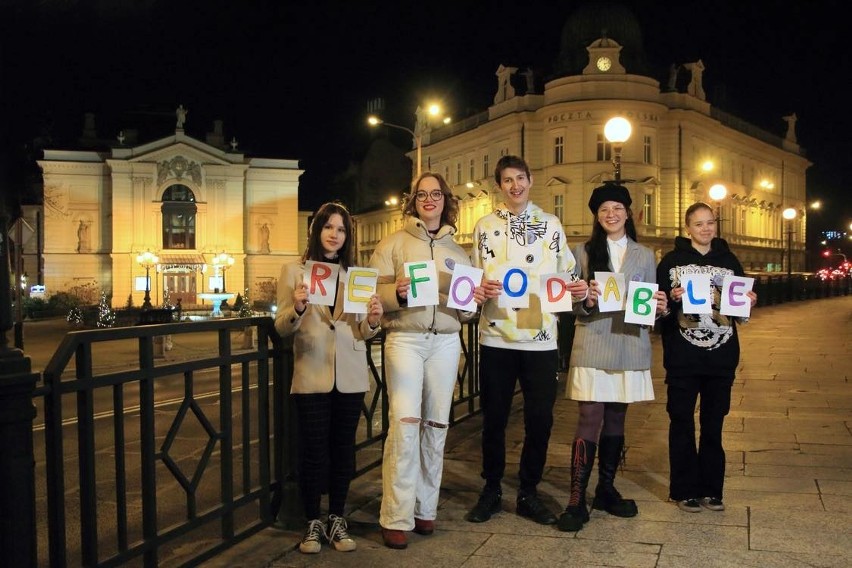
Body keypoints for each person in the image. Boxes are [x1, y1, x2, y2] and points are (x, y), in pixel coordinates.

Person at [466, 155, 588, 526]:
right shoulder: (485, 226)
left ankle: (528, 491)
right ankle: (491, 489)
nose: (515, 185)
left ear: (531, 180)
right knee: (494, 419)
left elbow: (569, 275)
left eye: (521, 178)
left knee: (540, 420)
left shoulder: (550, 225)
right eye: (507, 180)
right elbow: (474, 279)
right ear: (499, 186)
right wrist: (478, 290)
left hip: (541, 339)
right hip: (496, 338)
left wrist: (578, 288)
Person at [369, 172, 482, 550]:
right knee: (403, 424)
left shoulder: (458, 251)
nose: (429, 199)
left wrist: (472, 303)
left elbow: (465, 313)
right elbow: (372, 295)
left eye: (436, 194)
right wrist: (395, 293)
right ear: (413, 200)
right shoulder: (393, 244)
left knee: (436, 425)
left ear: (445, 200)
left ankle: (425, 507)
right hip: (405, 338)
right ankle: (395, 514)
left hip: (446, 341)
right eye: (422, 194)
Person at [274, 201, 383, 554]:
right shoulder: (295, 271)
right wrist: (299, 307)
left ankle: (337, 518)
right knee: (314, 451)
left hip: (350, 375)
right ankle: (312, 521)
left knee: (343, 452)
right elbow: (281, 327)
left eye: (341, 229)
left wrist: (374, 320)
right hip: (312, 371)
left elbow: (362, 332)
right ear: (316, 231)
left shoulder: (356, 275)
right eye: (328, 227)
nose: (334, 235)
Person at [557, 184, 667, 532]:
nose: (611, 214)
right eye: (604, 209)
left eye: (617, 208)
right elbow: (569, 304)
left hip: (630, 343)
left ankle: (605, 488)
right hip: (592, 341)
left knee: (617, 418)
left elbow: (647, 307)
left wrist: (660, 309)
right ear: (596, 215)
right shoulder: (582, 252)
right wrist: (585, 299)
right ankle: (577, 498)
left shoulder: (645, 255)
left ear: (628, 213)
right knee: (590, 415)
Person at [656, 202, 757, 513]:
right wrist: (669, 301)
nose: (705, 228)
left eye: (710, 222)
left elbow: (740, 313)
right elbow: (657, 309)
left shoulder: (730, 261)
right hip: (682, 356)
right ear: (688, 228)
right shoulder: (671, 261)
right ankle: (683, 489)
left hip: (721, 357)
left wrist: (750, 302)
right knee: (681, 422)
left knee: (714, 425)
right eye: (698, 224)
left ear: (716, 225)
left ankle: (712, 489)